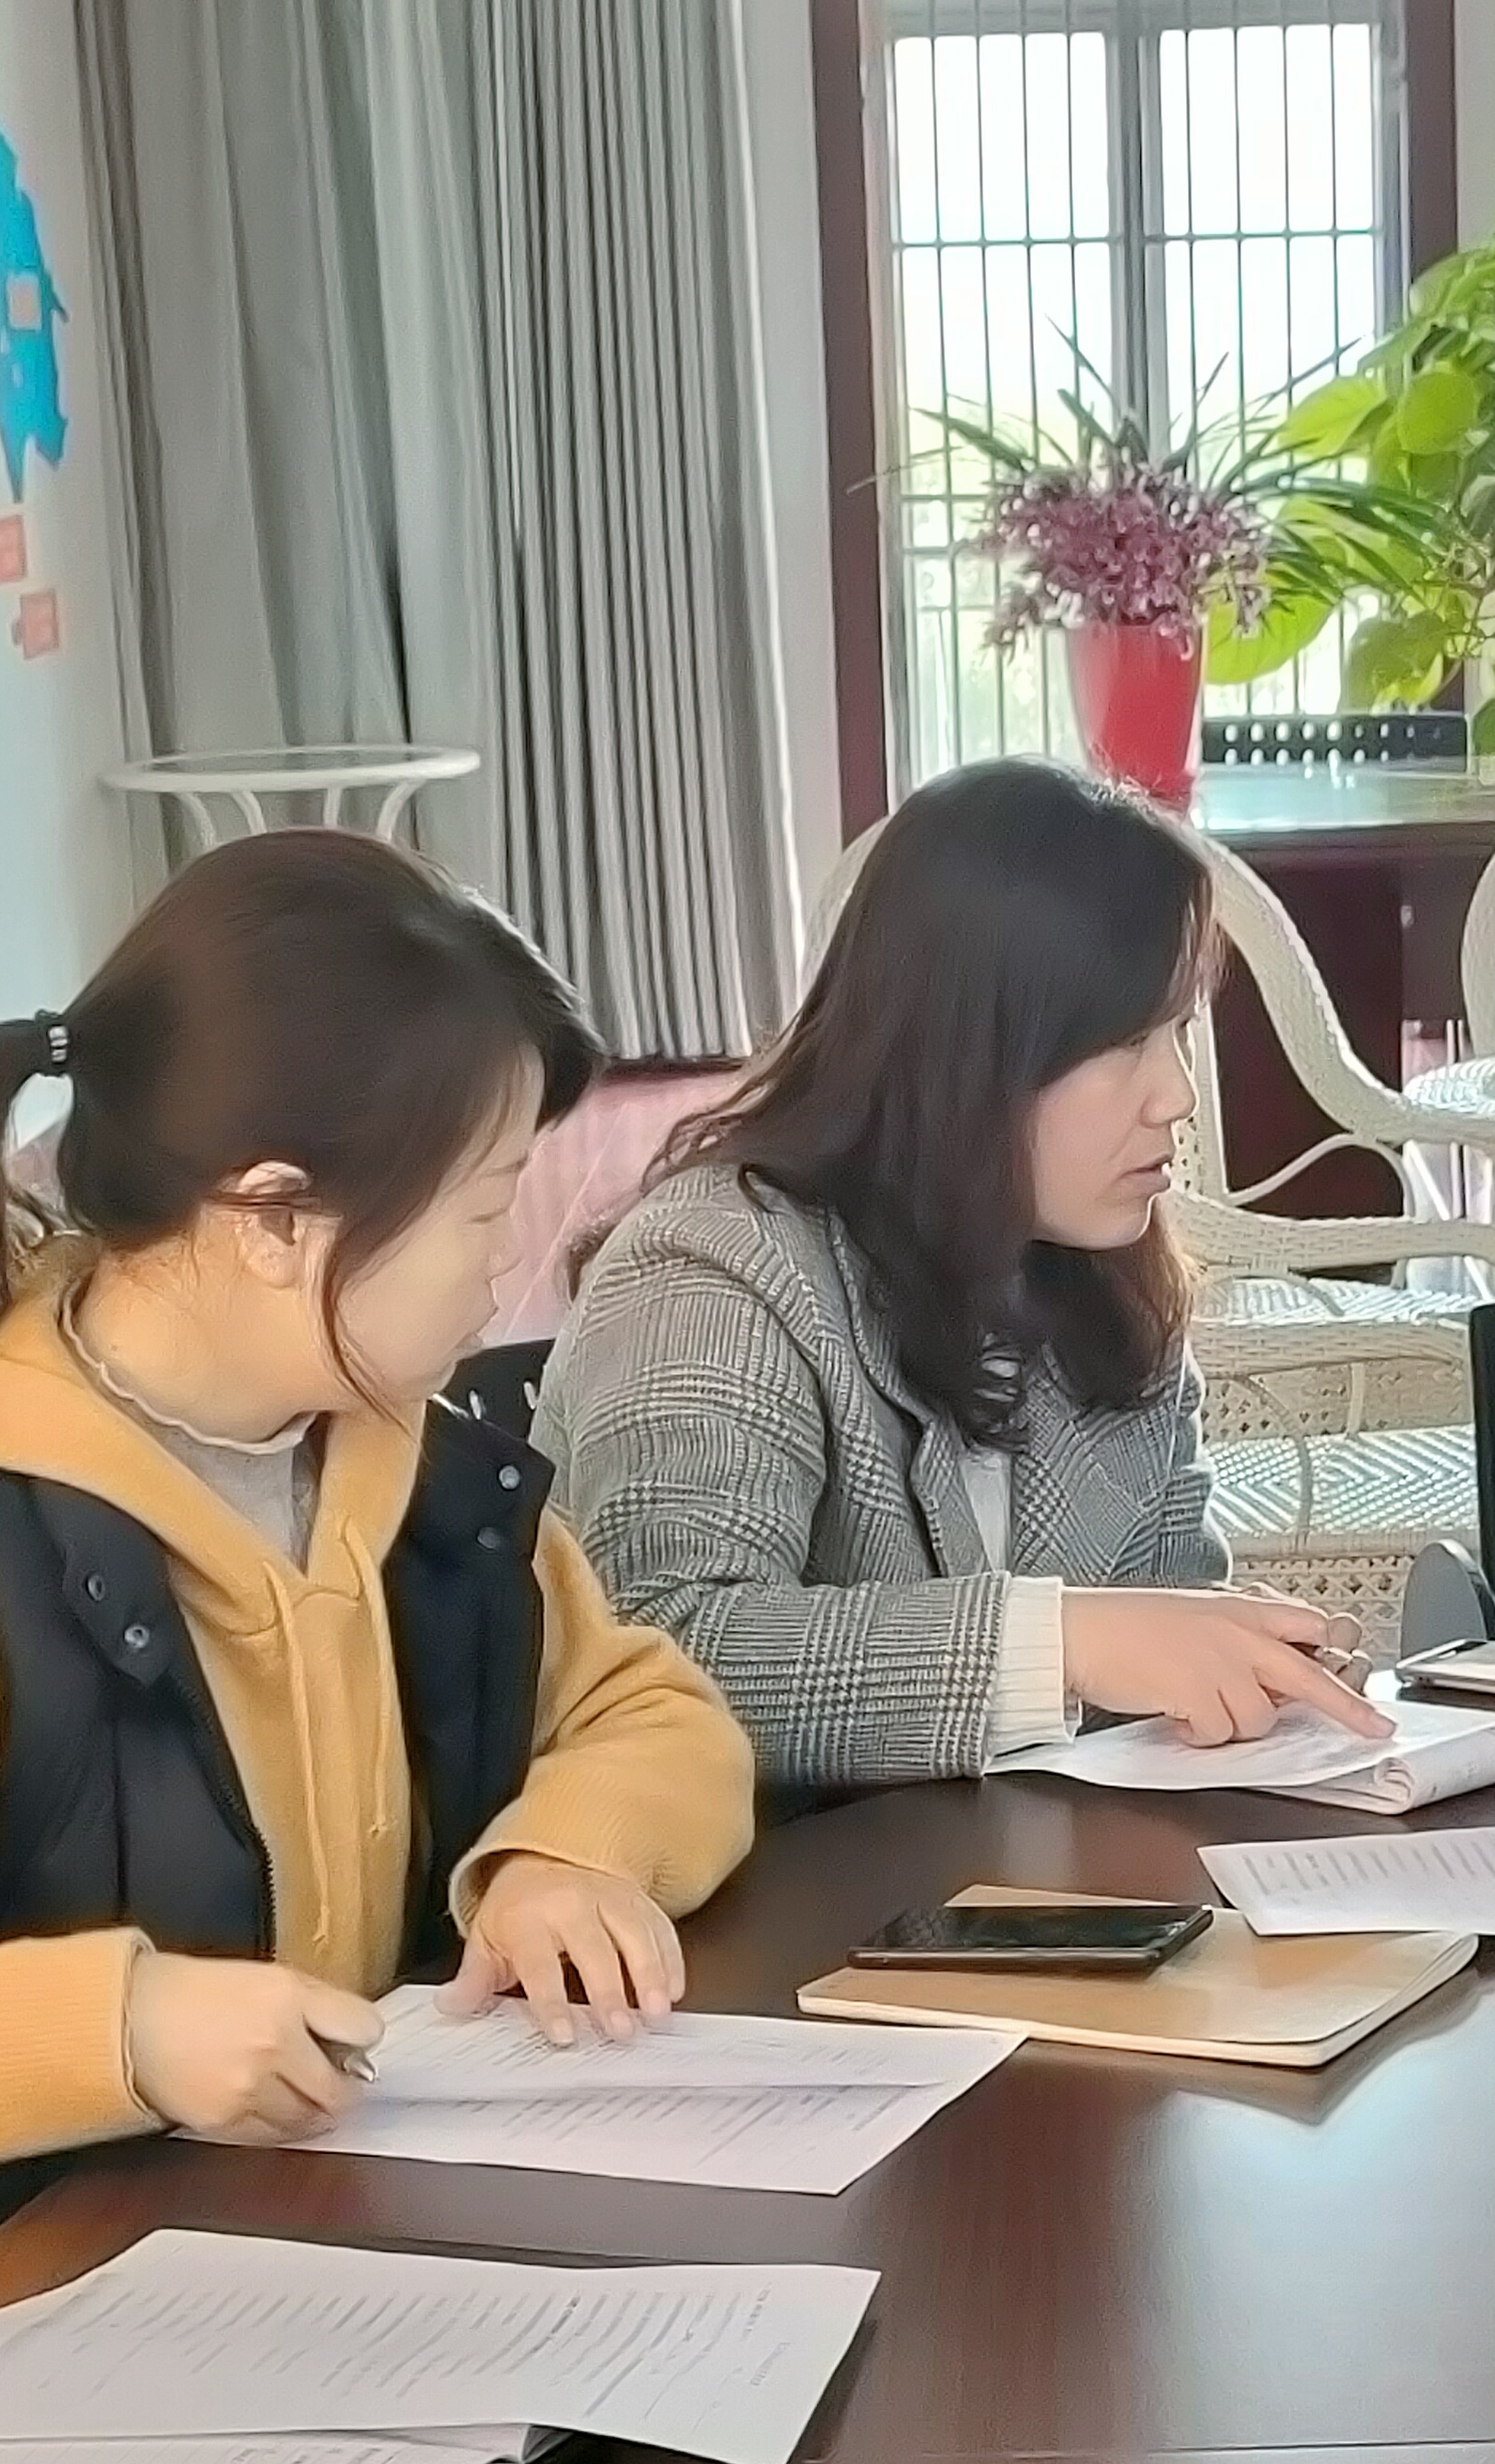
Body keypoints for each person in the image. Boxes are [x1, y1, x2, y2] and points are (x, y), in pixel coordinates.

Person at [0, 831, 757, 2387]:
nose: (506, 1267)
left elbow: (651, 1707)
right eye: (483, 1210)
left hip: (322, 2269)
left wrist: (567, 1850)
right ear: (272, 1219)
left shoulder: (404, 1465)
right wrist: (118, 2030)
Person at [539, 757, 1387, 1794]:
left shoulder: (1108, 1277)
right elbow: (669, 1651)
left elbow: (1154, 1624)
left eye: (1178, 1033)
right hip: (775, 1888)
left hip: (1032, 1871)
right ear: (969, 1048)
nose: (1177, 1096)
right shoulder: (712, 1270)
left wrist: (1240, 1675)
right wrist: (1065, 1641)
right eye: (1127, 1041)